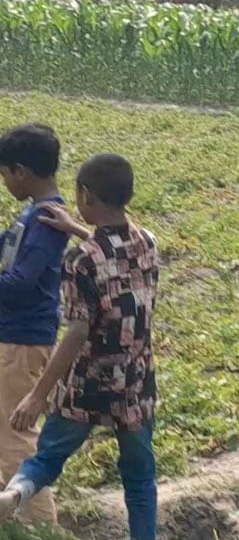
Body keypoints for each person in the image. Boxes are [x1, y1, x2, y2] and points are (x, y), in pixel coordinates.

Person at [0, 155, 158, 540]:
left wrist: (38, 395)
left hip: (89, 382)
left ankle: (14, 495)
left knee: (48, 458)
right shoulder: (147, 242)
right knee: (140, 479)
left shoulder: (81, 258)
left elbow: (76, 332)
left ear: (85, 196)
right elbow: (115, 254)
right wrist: (75, 228)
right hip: (135, 380)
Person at [0, 125, 67, 525]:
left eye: (5, 174)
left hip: (21, 342)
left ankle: (43, 528)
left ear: (22, 172)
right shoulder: (36, 215)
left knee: (15, 441)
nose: (5, 182)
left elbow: (21, 282)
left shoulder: (45, 221)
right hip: (15, 339)